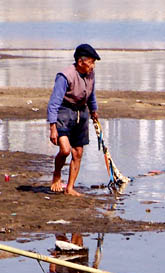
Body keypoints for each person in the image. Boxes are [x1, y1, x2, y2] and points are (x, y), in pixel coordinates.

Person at [46, 43, 101, 196]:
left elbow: (91, 94)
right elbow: (54, 103)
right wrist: (52, 127)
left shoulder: (91, 75)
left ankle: (69, 188)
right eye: (91, 62)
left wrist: (93, 111)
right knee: (65, 150)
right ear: (80, 62)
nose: (92, 66)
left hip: (81, 113)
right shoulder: (65, 76)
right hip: (64, 112)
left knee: (77, 152)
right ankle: (57, 175)